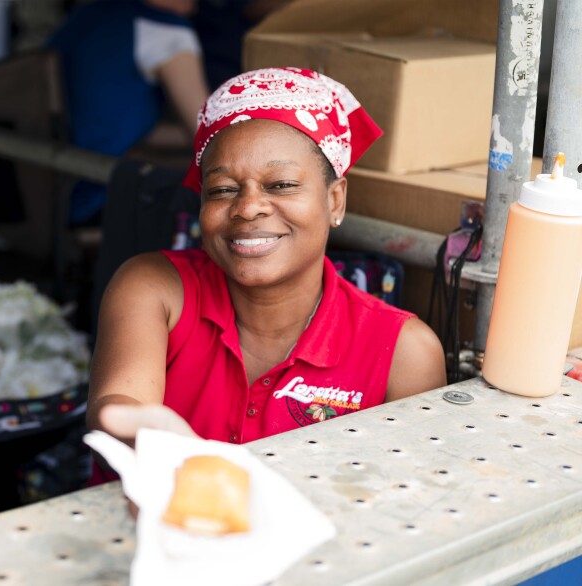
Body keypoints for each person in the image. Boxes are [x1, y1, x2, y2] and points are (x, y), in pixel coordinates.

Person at [87, 67, 447, 469]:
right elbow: (119, 405)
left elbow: (408, 493)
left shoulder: (404, 352)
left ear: (335, 201)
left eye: (280, 185)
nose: (247, 207)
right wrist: (150, 436)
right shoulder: (154, 287)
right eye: (222, 190)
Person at [47, 0, 209, 225]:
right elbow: (209, 134)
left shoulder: (87, 15)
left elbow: (112, 124)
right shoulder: (166, 30)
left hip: (45, 187)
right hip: (96, 194)